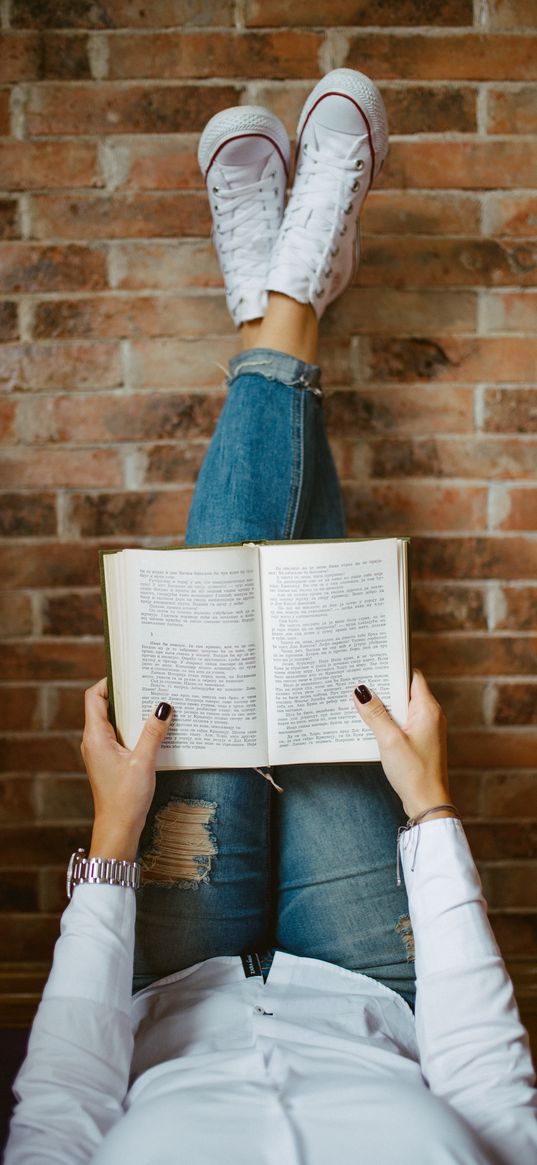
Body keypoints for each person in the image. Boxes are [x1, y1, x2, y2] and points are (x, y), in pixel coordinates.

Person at [4, 68, 536, 1165]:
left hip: (164, 977)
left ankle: (282, 301)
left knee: (225, 608)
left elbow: (60, 1103)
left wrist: (113, 837)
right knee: (304, 619)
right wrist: (430, 808)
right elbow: (491, 1097)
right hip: (368, 984)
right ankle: (283, 299)